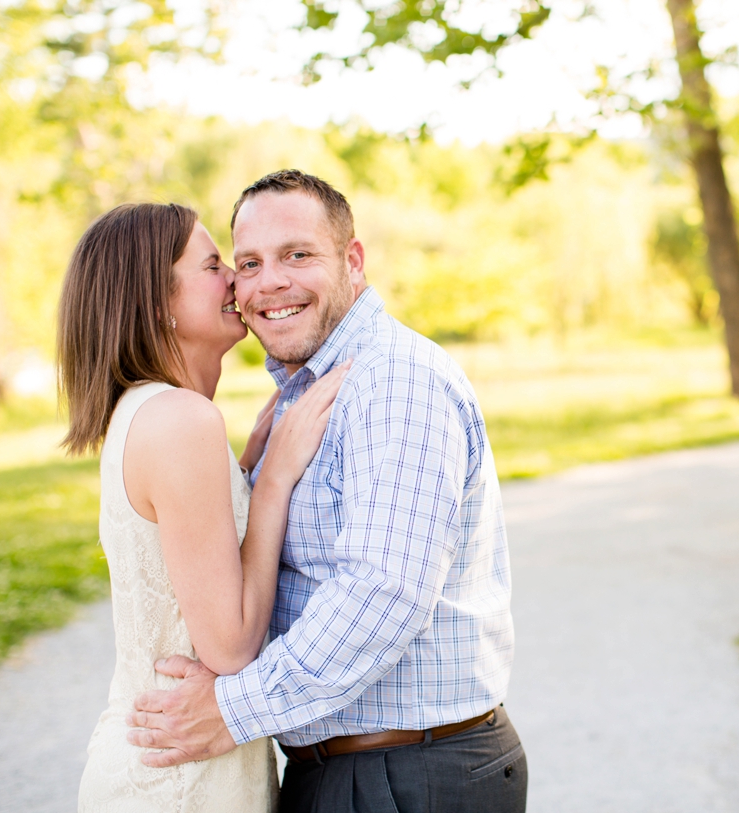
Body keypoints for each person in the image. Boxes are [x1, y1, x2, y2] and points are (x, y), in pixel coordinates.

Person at [124, 170, 527, 813]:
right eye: (249, 263)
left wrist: (232, 707)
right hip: (350, 771)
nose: (269, 282)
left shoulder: (392, 382)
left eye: (298, 255)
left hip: (405, 775)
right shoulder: (303, 390)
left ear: (353, 261)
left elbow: (381, 591)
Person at [57, 202, 349, 812]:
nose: (237, 281)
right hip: (179, 780)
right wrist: (274, 483)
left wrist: (244, 470)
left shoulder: (152, 412)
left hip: (186, 758)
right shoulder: (179, 419)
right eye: (214, 265)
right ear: (156, 301)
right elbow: (230, 647)